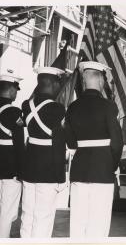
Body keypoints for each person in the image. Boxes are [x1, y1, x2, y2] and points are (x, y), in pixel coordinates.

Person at [64, 61, 123, 238]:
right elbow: (117, 143)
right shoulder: (108, 106)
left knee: (78, 221)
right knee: (99, 222)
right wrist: (110, 166)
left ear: (83, 81)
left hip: (79, 169)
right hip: (102, 168)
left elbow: (71, 142)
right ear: (100, 81)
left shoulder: (72, 107)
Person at [20, 67, 66, 237]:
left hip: (29, 167)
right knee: (43, 217)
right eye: (58, 84)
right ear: (54, 84)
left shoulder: (26, 105)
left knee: (27, 214)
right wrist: (61, 177)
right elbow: (59, 144)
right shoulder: (57, 109)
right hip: (48, 170)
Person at [0, 68, 24, 237]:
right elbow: (19, 143)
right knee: (7, 211)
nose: (16, 93)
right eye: (16, 89)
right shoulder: (14, 112)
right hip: (9, 168)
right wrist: (21, 170)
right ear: (11, 89)